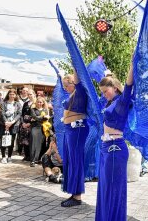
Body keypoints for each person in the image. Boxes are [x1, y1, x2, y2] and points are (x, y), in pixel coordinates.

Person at [95, 60, 133, 221]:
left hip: (115, 148)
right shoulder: (109, 102)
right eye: (102, 92)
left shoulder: (122, 101)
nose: (104, 94)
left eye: (106, 91)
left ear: (115, 87)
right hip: (106, 146)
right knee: (104, 188)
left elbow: (129, 85)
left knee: (113, 189)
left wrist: (132, 63)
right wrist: (106, 75)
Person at [60, 71, 89, 207]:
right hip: (70, 130)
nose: (65, 88)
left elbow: (78, 79)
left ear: (73, 83)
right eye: (64, 85)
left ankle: (77, 196)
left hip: (77, 130)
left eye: (67, 85)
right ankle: (73, 192)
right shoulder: (72, 94)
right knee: (71, 161)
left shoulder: (80, 91)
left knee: (76, 160)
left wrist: (75, 64)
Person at [0, 89, 22, 164]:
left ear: (16, 95)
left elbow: (19, 114)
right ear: (8, 95)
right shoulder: (3, 103)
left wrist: (12, 122)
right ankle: (3, 157)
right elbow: (2, 113)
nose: (12, 96)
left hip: (14, 125)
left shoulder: (18, 104)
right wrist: (6, 122)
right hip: (4, 124)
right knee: (4, 140)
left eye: (13, 94)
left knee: (11, 141)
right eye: (10, 94)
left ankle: (9, 157)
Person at [29, 96, 49, 167]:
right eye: (38, 102)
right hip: (34, 128)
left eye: (41, 102)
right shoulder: (32, 109)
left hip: (42, 128)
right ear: (36, 102)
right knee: (33, 144)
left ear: (43, 103)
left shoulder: (45, 110)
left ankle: (37, 159)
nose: (39, 103)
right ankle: (32, 160)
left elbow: (46, 120)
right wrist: (43, 117)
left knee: (40, 144)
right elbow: (34, 117)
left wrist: (38, 118)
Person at [20, 90, 36, 162]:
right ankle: (26, 156)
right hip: (24, 124)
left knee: (31, 141)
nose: (29, 96)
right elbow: (22, 114)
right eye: (28, 94)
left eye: (31, 94)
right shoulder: (26, 103)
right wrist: (23, 123)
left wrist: (30, 123)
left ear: (34, 94)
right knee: (25, 141)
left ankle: (31, 156)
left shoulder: (36, 103)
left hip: (33, 124)